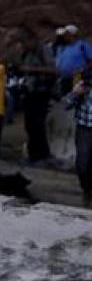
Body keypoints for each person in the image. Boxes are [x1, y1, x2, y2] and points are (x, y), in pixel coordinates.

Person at [15, 29, 57, 163]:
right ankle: (34, 154)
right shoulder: (27, 52)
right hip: (30, 91)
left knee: (37, 124)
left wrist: (31, 70)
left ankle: (42, 154)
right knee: (30, 124)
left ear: (32, 40)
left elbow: (54, 70)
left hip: (42, 91)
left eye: (24, 43)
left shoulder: (44, 51)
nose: (23, 46)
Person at [64, 75, 92, 208]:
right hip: (84, 129)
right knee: (82, 164)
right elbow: (67, 104)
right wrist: (76, 93)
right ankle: (87, 189)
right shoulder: (84, 86)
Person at [56, 25, 92, 92]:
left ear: (72, 34)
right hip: (64, 78)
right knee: (65, 98)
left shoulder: (82, 45)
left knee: (77, 95)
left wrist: (83, 69)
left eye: (66, 34)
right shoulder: (63, 47)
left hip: (78, 77)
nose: (64, 36)